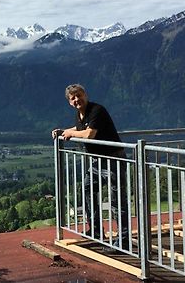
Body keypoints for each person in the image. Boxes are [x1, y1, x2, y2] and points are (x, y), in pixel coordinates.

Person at [52, 84, 129, 249]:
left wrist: (71, 134)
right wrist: (62, 131)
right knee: (87, 189)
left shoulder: (97, 110)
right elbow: (80, 128)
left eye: (79, 95)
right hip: (97, 161)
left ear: (85, 95)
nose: (77, 100)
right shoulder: (80, 115)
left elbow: (89, 134)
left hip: (113, 158)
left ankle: (124, 239)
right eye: (73, 98)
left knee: (117, 201)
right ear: (70, 103)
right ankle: (95, 230)